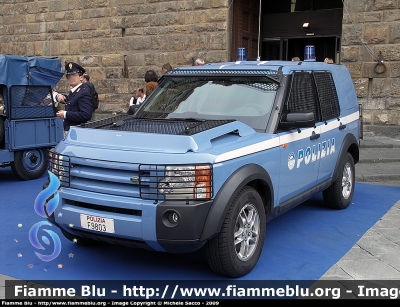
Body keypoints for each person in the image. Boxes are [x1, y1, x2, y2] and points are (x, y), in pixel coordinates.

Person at [54, 62, 93, 135]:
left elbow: (86, 115)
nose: (71, 78)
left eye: (74, 75)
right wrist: (61, 97)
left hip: (78, 132)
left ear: (81, 77)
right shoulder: (74, 92)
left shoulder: (83, 92)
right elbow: (72, 102)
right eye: (69, 76)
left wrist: (65, 114)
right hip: (71, 131)